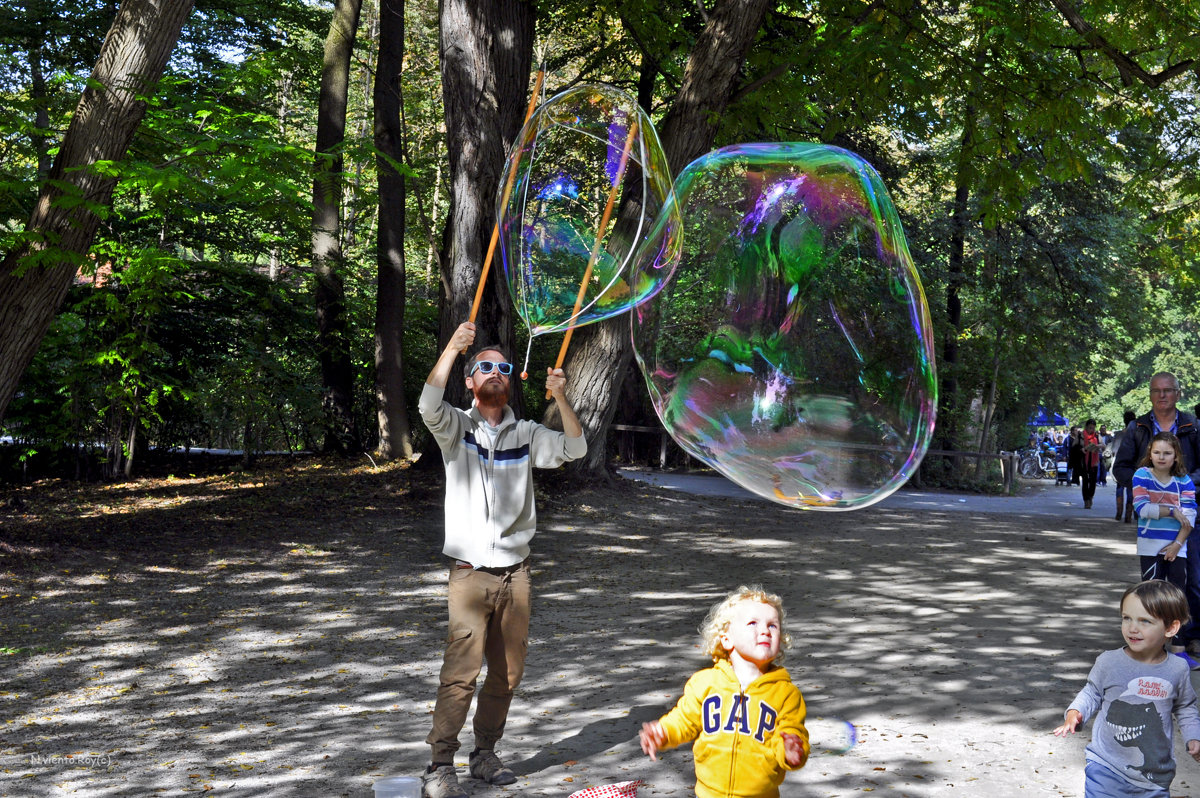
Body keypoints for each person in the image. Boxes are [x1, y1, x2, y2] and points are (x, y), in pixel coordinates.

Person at [418, 321, 586, 798]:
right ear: (471, 382)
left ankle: (485, 754)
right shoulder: (457, 427)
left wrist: (561, 400)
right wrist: (452, 347)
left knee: (509, 672)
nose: (495, 371)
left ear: (510, 381)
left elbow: (575, 447)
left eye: (503, 367)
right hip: (470, 574)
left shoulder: (528, 433)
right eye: (484, 367)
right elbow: (428, 403)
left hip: (517, 573)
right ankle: (439, 764)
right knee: (461, 672)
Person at [639, 586, 808, 798]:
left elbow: (793, 732)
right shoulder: (705, 683)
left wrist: (791, 749)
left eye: (773, 625)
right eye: (753, 623)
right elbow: (683, 720)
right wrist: (663, 732)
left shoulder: (786, 694)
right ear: (726, 638)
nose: (765, 631)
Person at [1053, 580, 1200, 796]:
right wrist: (1076, 712)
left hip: (1155, 777)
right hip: (1105, 768)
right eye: (1126, 618)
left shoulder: (1177, 668)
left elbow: (1185, 706)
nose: (1132, 628)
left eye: (1144, 621)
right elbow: (1091, 692)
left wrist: (1193, 736)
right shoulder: (1109, 662)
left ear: (1170, 628)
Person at [1114, 373, 1200, 655]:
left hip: (1188, 515)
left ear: (1177, 393)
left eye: (1168, 391)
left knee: (1191, 581)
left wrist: (1182, 481)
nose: (1162, 396)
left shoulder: (1193, 426)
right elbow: (1121, 468)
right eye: (1157, 391)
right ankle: (1153, 642)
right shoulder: (1138, 427)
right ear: (1150, 395)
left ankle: (1187, 638)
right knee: (1152, 584)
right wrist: (1147, 486)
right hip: (1153, 523)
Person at [1132, 432, 1197, 631]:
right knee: (1151, 596)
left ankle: (1178, 648)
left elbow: (1189, 518)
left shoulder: (1184, 481)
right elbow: (1142, 508)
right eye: (1157, 452)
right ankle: (1153, 645)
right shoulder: (1141, 475)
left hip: (1178, 547)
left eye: (1167, 453)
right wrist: (1172, 511)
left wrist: (1177, 545)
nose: (1161, 457)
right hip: (1149, 545)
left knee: (1177, 597)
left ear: (1176, 456)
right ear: (1150, 454)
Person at [1112, 410, 1138, 522]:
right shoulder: (1138, 433)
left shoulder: (1119, 434)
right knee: (1131, 489)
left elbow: (1113, 450)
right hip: (1133, 465)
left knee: (1119, 488)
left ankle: (1119, 513)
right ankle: (1128, 516)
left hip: (1120, 464)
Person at [1080, 419, 1103, 508]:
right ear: (1086, 427)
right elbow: (1076, 447)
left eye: (1093, 428)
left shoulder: (1097, 436)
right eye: (1090, 428)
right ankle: (1086, 500)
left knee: (1093, 482)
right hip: (1084, 462)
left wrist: (1097, 446)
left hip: (1094, 462)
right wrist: (1082, 449)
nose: (1091, 430)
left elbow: (1103, 445)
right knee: (1085, 481)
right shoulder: (1081, 435)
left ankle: (1090, 497)